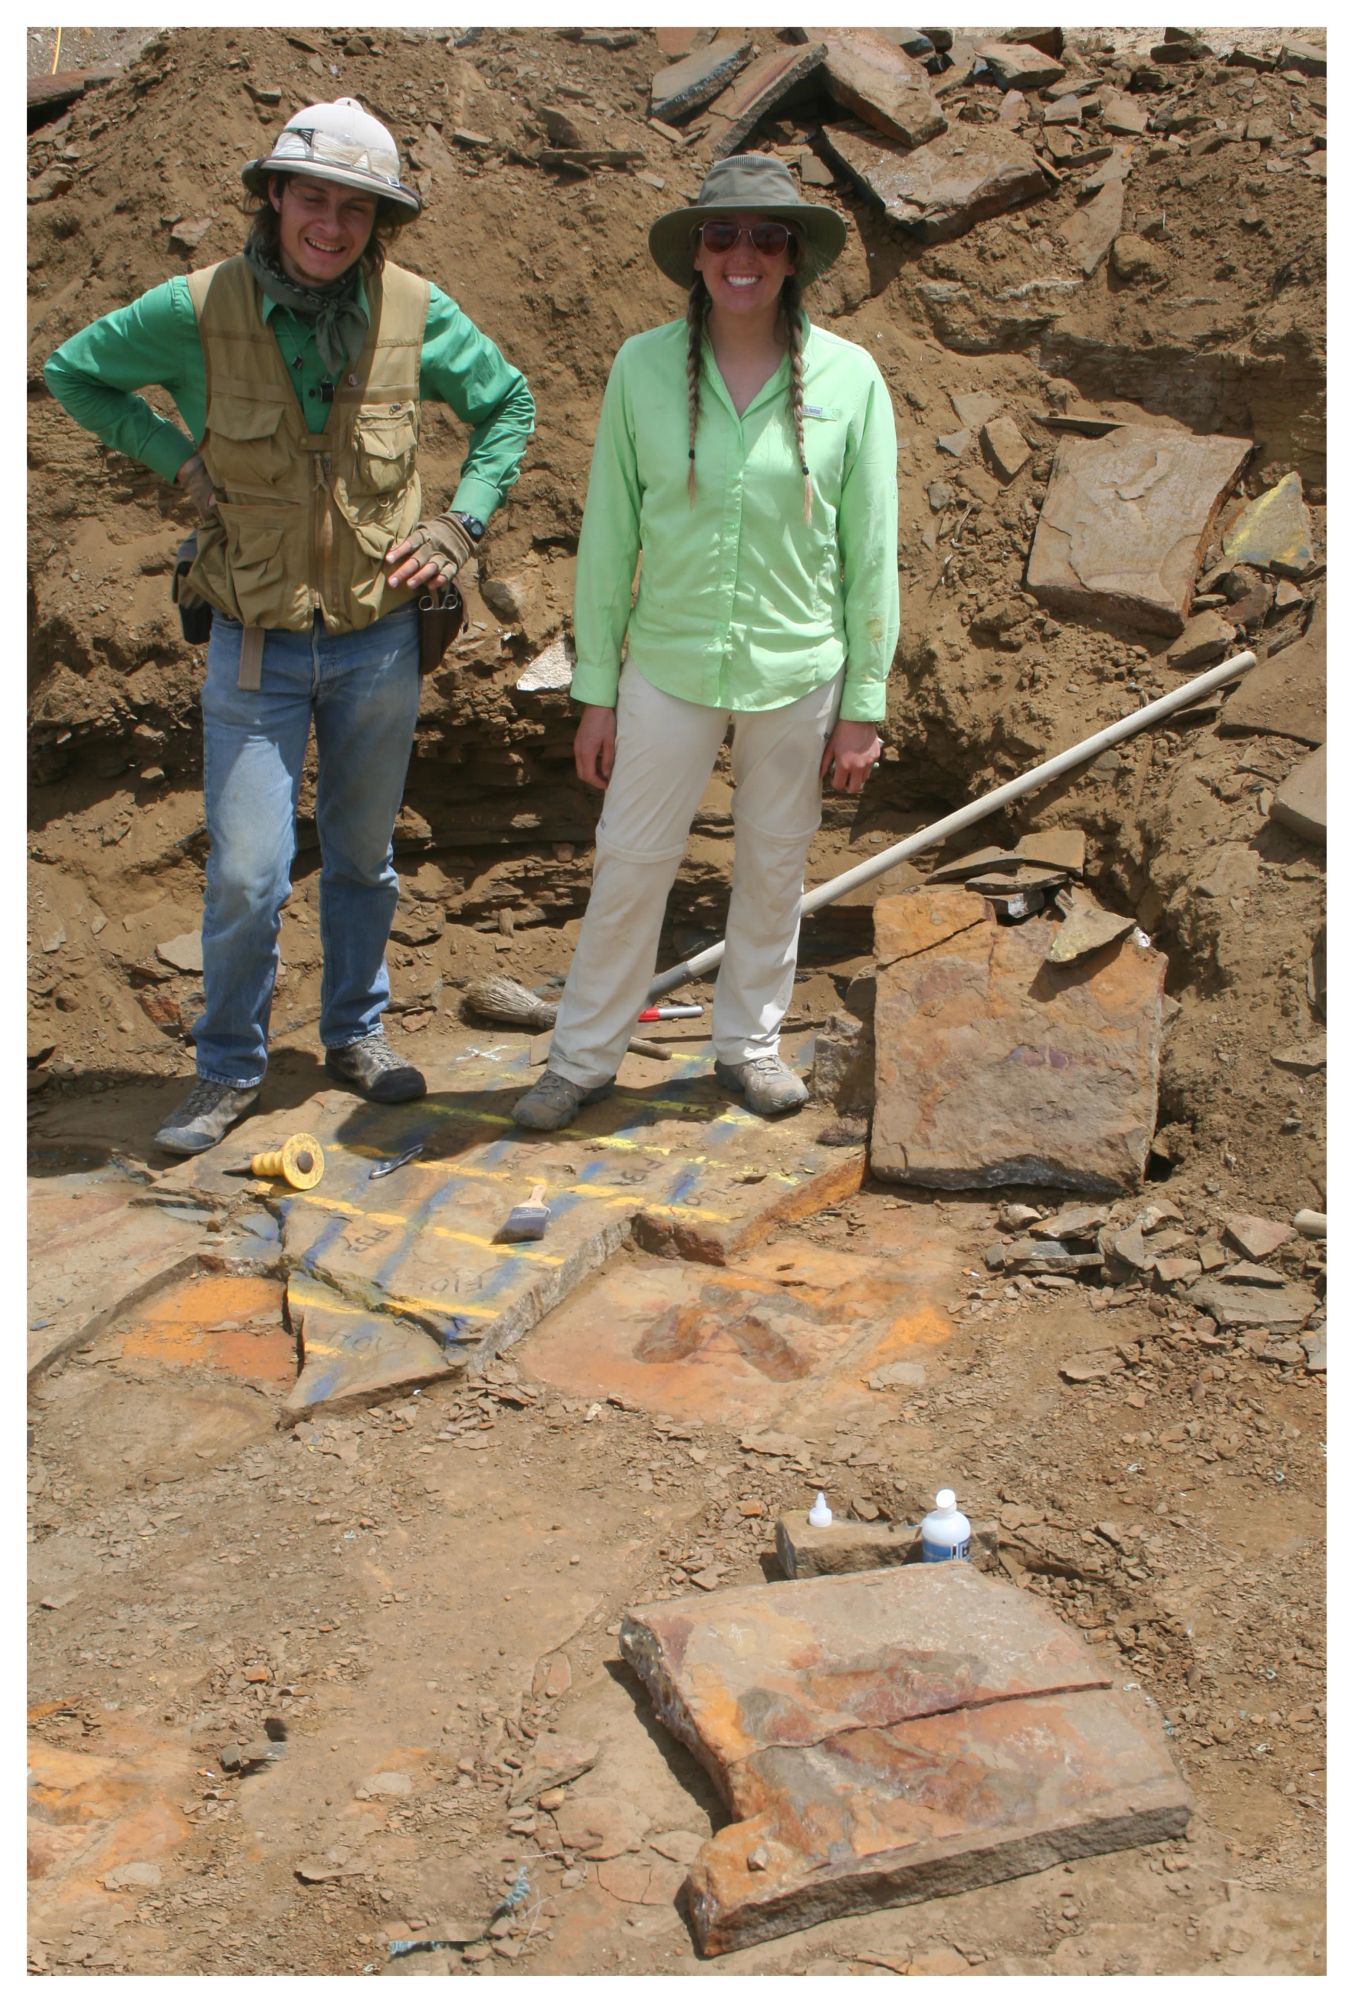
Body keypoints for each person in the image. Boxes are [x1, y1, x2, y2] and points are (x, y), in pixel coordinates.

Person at [45, 98, 534, 1155]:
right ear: (274, 197)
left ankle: (356, 1033)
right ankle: (226, 1067)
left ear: (380, 222)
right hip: (252, 641)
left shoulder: (415, 310)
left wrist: (459, 526)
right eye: (313, 197)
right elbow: (72, 372)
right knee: (247, 872)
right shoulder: (196, 307)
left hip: (380, 642)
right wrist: (172, 455)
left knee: (363, 856)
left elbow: (510, 406)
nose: (332, 224)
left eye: (357, 208)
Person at [512, 153, 898, 1133]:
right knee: (632, 859)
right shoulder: (641, 367)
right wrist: (595, 687)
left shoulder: (851, 380)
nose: (744, 254)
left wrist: (865, 703)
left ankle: (750, 1047)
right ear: (696, 250)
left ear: (794, 257)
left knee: (775, 863)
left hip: (798, 667)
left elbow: (871, 553)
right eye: (725, 235)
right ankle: (584, 1056)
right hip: (669, 666)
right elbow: (608, 540)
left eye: (769, 238)